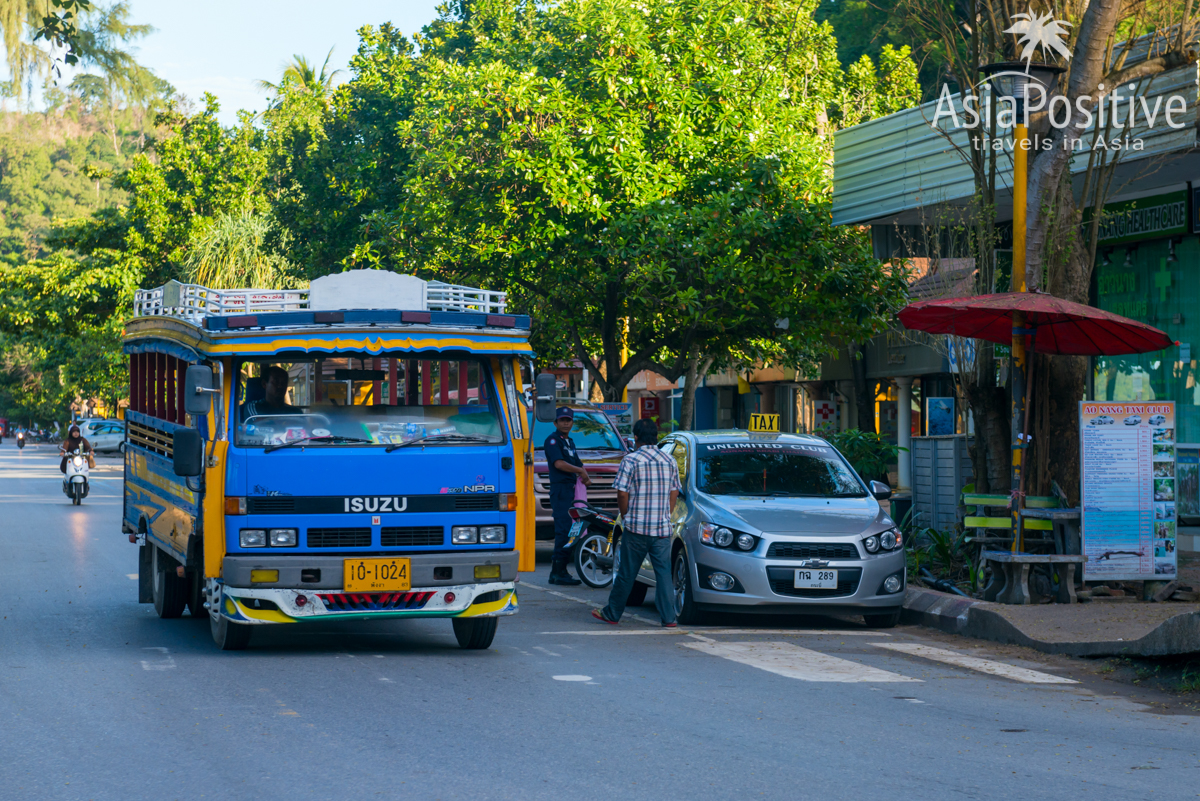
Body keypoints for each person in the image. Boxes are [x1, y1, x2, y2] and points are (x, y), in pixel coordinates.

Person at [593, 417, 681, 627]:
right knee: (663, 575)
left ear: (635, 438)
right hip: (661, 529)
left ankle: (612, 613)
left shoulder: (631, 460)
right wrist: (666, 514)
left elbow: (622, 493)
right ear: (656, 437)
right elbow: (674, 490)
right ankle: (669, 618)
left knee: (627, 573)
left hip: (636, 528)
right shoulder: (669, 460)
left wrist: (626, 515)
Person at [543, 407, 590, 585]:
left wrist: (585, 475)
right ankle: (558, 572)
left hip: (571, 489)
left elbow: (577, 462)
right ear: (555, 423)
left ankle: (559, 571)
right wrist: (580, 471)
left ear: (572, 422)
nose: (565, 423)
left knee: (572, 529)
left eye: (568, 420)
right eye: (562, 420)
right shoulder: (553, 441)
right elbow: (559, 464)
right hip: (561, 490)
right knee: (563, 530)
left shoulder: (569, 441)